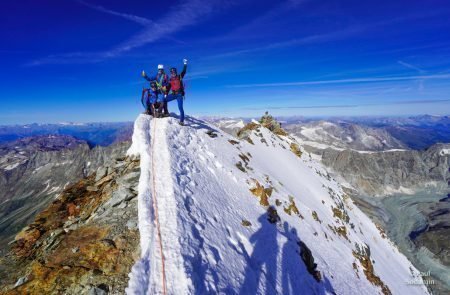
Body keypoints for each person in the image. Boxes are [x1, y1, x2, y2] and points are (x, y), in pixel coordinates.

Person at [165, 58, 188, 125]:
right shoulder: (170, 79)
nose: (173, 73)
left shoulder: (179, 76)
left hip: (179, 95)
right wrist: (166, 93)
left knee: (180, 107)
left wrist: (185, 64)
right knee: (164, 100)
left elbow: (184, 71)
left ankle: (181, 121)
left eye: (174, 72)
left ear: (176, 72)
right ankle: (165, 112)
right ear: (171, 73)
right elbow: (168, 87)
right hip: (173, 94)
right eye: (172, 72)